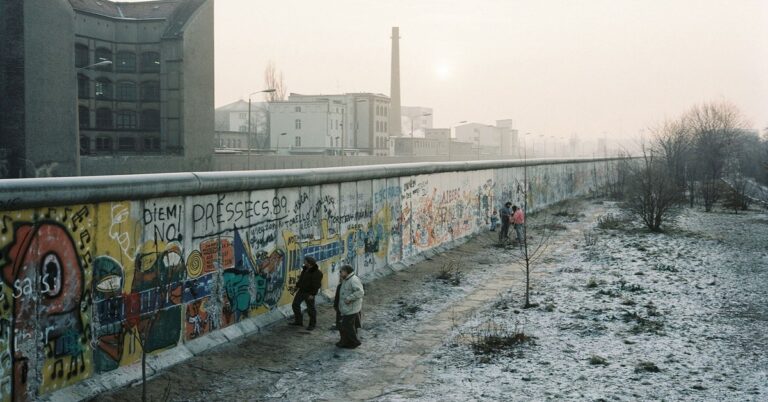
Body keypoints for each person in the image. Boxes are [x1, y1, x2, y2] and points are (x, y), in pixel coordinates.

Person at [290, 256, 323, 330]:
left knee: (311, 309)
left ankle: (312, 324)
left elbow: (317, 285)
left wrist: (312, 294)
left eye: (305, 261)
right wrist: (297, 287)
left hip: (309, 293)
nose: (304, 262)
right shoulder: (305, 270)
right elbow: (301, 279)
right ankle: (298, 321)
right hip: (301, 291)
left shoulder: (317, 273)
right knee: (295, 305)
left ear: (309, 263)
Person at [336, 265, 364, 349]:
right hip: (347, 308)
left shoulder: (353, 280)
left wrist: (349, 298)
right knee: (346, 325)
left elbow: (360, 292)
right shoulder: (347, 279)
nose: (340, 273)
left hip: (351, 308)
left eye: (341, 271)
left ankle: (354, 342)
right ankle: (346, 342)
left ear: (346, 271)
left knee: (347, 326)